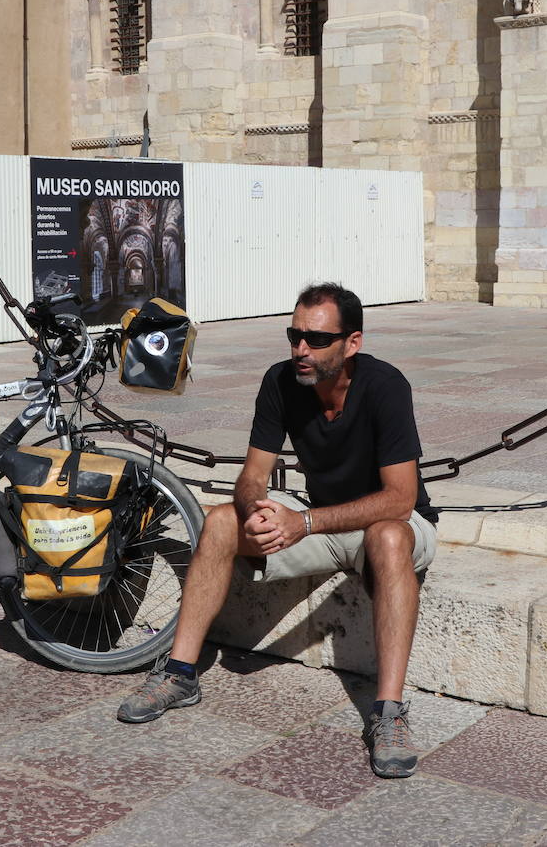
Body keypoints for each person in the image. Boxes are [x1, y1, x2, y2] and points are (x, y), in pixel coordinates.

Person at [116, 282, 438, 779]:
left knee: (388, 537)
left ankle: (389, 711)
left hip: (389, 524)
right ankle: (180, 673)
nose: (301, 350)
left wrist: (302, 521)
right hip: (323, 522)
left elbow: (400, 498)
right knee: (222, 521)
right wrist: (254, 512)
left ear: (352, 343)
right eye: (294, 335)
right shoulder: (281, 381)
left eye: (316, 339)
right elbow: (252, 476)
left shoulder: (385, 385)